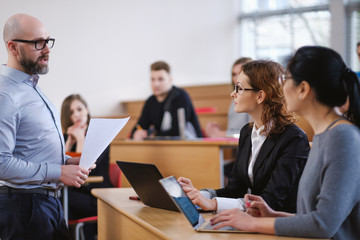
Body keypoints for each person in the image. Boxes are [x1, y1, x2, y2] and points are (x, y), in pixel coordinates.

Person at [210, 46, 360, 240]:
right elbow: (311, 217)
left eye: (286, 80)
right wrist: (272, 215)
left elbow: (323, 225)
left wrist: (253, 223)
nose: (281, 87)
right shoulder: (326, 134)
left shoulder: (343, 138)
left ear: (304, 89)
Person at [0, 14, 93, 240]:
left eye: (48, 41)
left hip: (46, 204)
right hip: (25, 207)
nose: (47, 49)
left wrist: (68, 163)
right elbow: (1, 162)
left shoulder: (32, 88)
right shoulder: (6, 95)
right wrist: (59, 172)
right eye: (37, 43)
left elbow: (32, 149)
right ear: (12, 47)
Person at [178, 60, 310, 214]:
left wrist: (213, 203)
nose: (232, 93)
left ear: (260, 96)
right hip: (254, 220)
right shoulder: (247, 133)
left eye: (239, 88)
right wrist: (198, 195)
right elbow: (235, 190)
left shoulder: (294, 139)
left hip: (281, 227)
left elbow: (271, 201)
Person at [61, 94, 112, 240]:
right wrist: (70, 142)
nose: (76, 115)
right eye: (71, 112)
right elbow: (59, 163)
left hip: (96, 195)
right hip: (76, 193)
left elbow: (85, 169)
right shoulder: (67, 136)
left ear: (87, 110)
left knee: (60, 201)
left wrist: (81, 139)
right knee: (57, 201)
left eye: (79, 109)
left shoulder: (100, 136)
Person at [131, 61, 202, 140]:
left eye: (160, 79)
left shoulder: (181, 96)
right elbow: (140, 125)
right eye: (152, 79)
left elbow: (177, 131)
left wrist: (153, 135)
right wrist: (137, 132)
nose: (156, 84)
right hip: (164, 145)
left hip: (190, 144)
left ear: (170, 80)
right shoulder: (150, 101)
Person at [205, 57, 252, 138]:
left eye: (240, 73)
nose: (236, 78)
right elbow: (233, 130)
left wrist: (222, 134)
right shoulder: (234, 99)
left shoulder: (252, 99)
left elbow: (252, 133)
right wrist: (217, 131)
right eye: (234, 74)